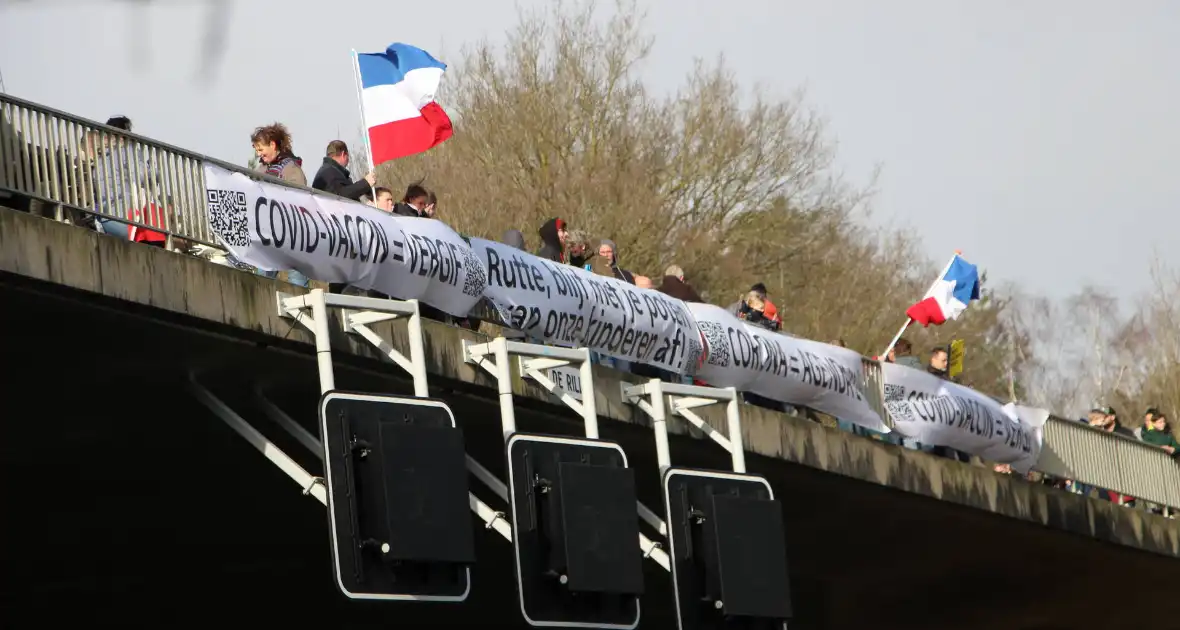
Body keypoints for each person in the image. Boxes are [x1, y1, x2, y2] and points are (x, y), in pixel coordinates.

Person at [249, 123, 308, 286]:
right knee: (264, 279)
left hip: (292, 234)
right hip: (269, 233)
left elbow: (300, 197)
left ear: (273, 145)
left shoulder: (291, 168)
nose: (259, 154)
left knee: (297, 280)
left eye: (261, 150)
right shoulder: (261, 169)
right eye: (257, 150)